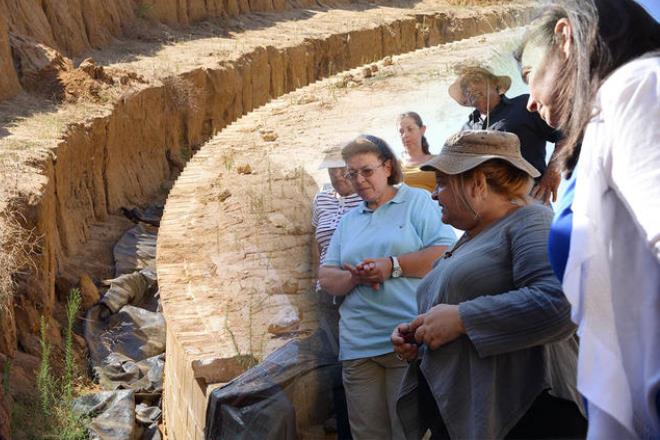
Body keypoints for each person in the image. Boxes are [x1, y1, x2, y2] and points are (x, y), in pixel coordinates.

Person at [515, 1, 660, 438]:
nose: (530, 101)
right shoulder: (600, 125)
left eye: (529, 76)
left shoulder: (638, 88)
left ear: (564, 37)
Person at [391, 130, 585, 439]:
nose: (434, 194)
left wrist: (461, 319)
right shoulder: (471, 236)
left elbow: (558, 306)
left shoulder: (531, 221)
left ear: (477, 183)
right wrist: (420, 335)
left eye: (442, 182)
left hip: (531, 417)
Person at [318, 135, 455, 439]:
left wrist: (391, 266)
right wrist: (355, 277)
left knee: (408, 432)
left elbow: (445, 254)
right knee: (366, 434)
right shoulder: (349, 221)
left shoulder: (417, 201)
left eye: (366, 170)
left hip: (406, 340)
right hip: (357, 346)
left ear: (388, 166)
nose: (358, 180)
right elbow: (326, 275)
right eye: (352, 173)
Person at [449, 66, 565, 203]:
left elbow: (567, 135)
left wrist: (553, 172)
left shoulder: (524, 105)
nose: (469, 87)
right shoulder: (466, 129)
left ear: (494, 84)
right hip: (486, 208)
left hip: (528, 197)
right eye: (464, 86)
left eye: (475, 80)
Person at [311, 147, 362, 439]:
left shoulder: (364, 196)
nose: (338, 174)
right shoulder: (321, 198)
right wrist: (315, 277)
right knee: (336, 363)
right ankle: (345, 428)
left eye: (342, 168)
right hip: (325, 294)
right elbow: (315, 240)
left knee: (355, 361)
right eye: (332, 169)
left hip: (354, 290)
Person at [398, 112, 436, 192]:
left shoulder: (438, 161)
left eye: (410, 129)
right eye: (401, 132)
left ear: (422, 130)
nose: (405, 135)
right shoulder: (395, 165)